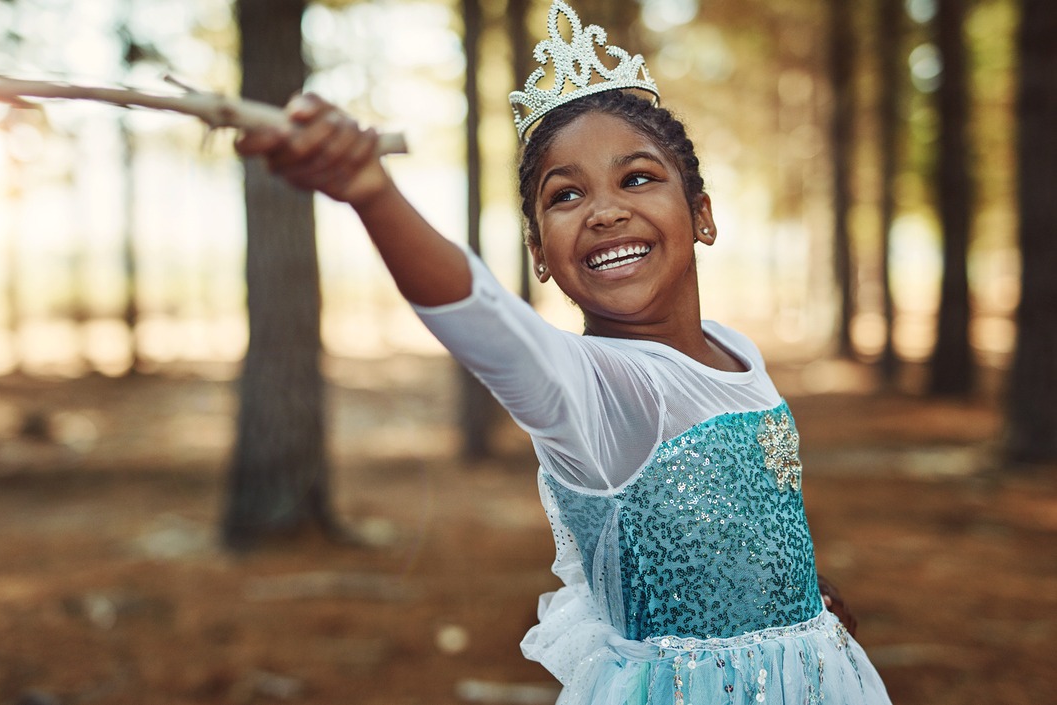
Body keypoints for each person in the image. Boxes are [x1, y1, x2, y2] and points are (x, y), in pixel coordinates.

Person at [234, 2, 891, 702]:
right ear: (539, 254)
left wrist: (796, 602)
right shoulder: (590, 393)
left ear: (701, 212)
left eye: (637, 178)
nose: (605, 210)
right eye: (566, 194)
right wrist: (372, 192)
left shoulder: (735, 351)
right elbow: (482, 318)